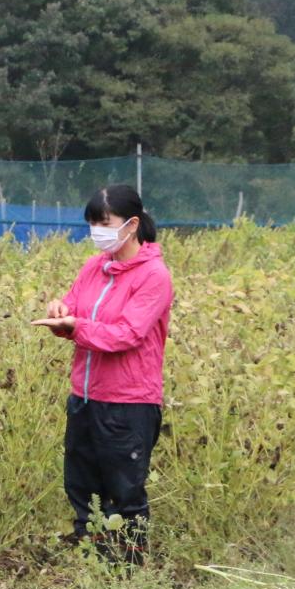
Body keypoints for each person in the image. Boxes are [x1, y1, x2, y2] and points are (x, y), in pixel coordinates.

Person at [39, 184, 173, 566]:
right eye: (92, 224)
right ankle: (94, 563)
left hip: (128, 403)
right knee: (82, 486)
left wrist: (74, 325)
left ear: (131, 225)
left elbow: (128, 334)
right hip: (84, 396)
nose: (97, 231)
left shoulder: (154, 276)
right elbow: (75, 310)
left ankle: (129, 571)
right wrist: (60, 314)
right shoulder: (93, 267)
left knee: (125, 492)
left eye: (104, 223)